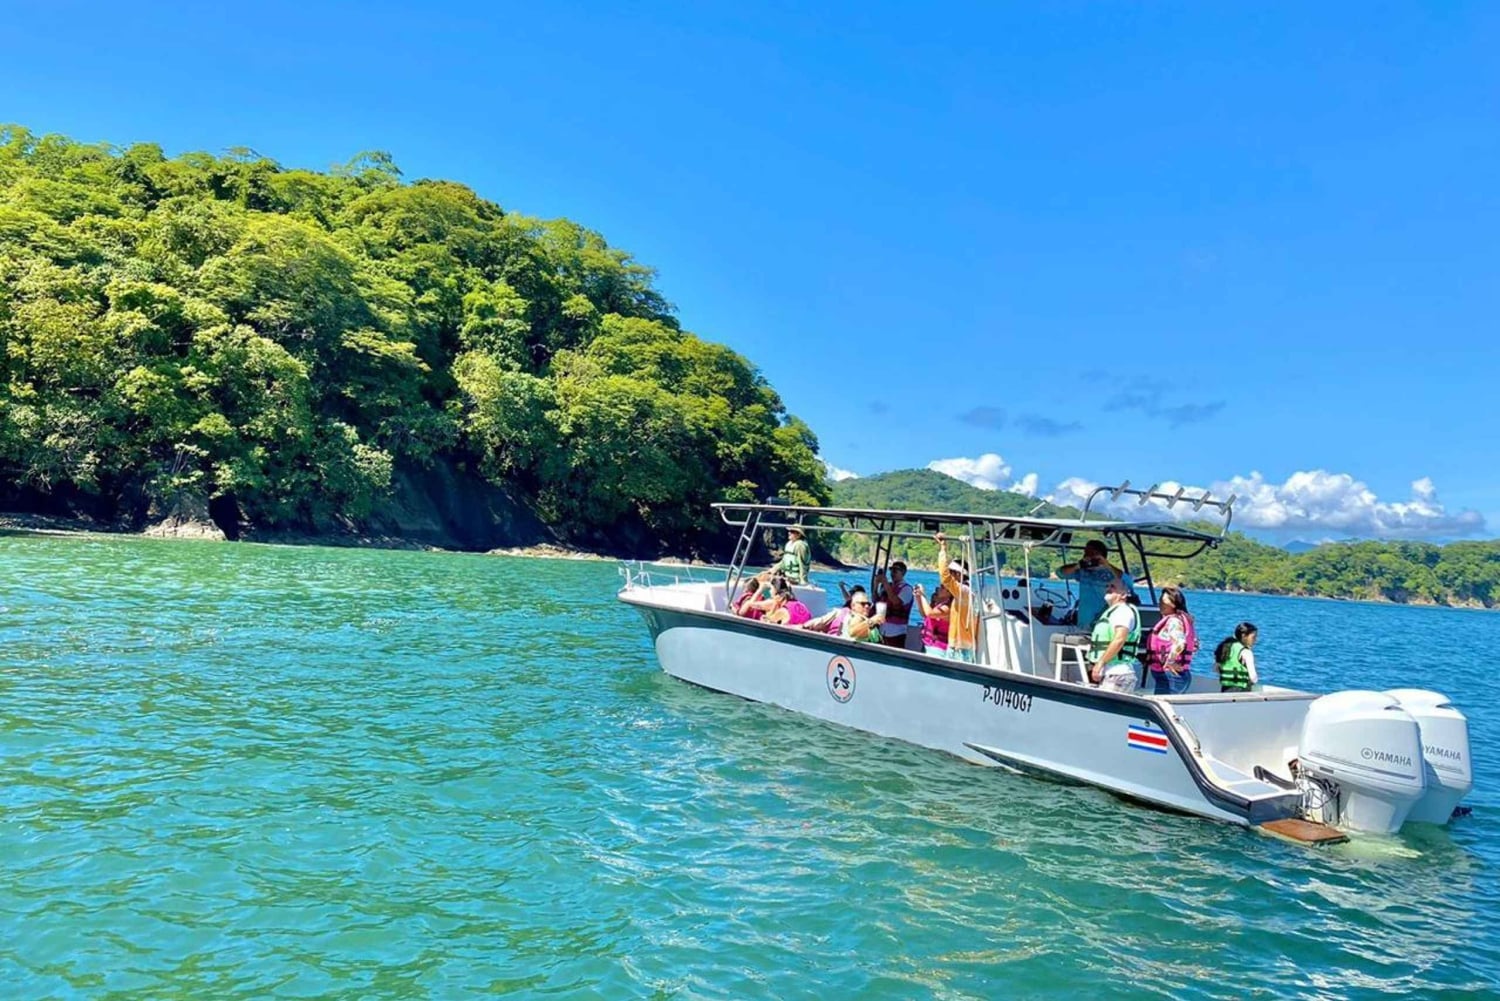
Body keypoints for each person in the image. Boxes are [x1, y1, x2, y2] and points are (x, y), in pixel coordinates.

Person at [1087, 579, 1140, 694]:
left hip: (1118, 675)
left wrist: (1100, 663)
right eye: (1107, 586)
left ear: (1123, 594)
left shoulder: (1123, 611)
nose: (1108, 588)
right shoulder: (1114, 611)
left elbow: (1119, 639)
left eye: (1113, 587)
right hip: (1110, 673)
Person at [1142, 586, 1198, 695]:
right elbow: (1195, 645)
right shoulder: (1182, 620)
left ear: (1173, 604)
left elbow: (1180, 642)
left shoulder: (1174, 622)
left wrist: (1171, 661)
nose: (1160, 604)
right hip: (1174, 675)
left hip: (1171, 676)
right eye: (1160, 601)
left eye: (1163, 602)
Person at [1056, 540, 1123, 626]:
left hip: (1103, 622)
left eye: (1091, 553)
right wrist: (1078, 565)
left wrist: (1107, 565)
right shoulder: (1082, 571)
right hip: (1084, 622)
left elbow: (1126, 579)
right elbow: (1061, 573)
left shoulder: (1112, 573)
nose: (1087, 556)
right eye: (1086, 553)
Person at [935, 533, 977, 662]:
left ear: (958, 575)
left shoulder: (963, 591)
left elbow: (945, 577)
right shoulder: (969, 591)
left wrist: (943, 549)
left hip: (959, 648)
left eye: (952, 573)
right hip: (964, 645)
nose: (951, 576)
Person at [874, 560, 914, 648]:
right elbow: (876, 600)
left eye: (895, 571)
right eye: (891, 570)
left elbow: (896, 602)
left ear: (903, 573)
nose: (892, 573)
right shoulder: (887, 587)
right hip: (882, 630)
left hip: (897, 632)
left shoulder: (907, 589)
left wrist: (885, 583)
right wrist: (876, 585)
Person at [802, 585, 866, 635]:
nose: (866, 606)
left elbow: (819, 622)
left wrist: (803, 626)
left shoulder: (840, 613)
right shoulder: (866, 619)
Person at [1215, 622, 1260, 693]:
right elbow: (1253, 678)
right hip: (1241, 692)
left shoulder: (1225, 647)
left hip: (1225, 690)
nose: (1255, 640)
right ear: (1244, 636)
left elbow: (1216, 669)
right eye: (1253, 637)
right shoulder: (1246, 652)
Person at [913, 582, 951, 656]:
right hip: (928, 644)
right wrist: (918, 598)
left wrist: (922, 595)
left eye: (942, 587)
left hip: (939, 648)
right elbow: (924, 614)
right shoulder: (940, 606)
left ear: (949, 593)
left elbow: (929, 614)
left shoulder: (947, 608)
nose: (939, 589)